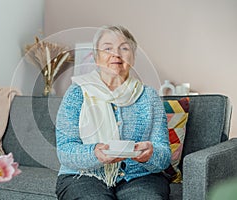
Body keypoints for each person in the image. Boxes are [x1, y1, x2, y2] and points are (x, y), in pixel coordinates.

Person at [55, 25, 171, 200]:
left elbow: (164, 156)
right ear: (96, 57)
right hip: (83, 175)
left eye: (124, 48)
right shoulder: (77, 92)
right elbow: (65, 150)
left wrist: (151, 154)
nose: (116, 54)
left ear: (133, 57)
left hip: (140, 177)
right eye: (108, 48)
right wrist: (94, 153)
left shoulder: (148, 96)